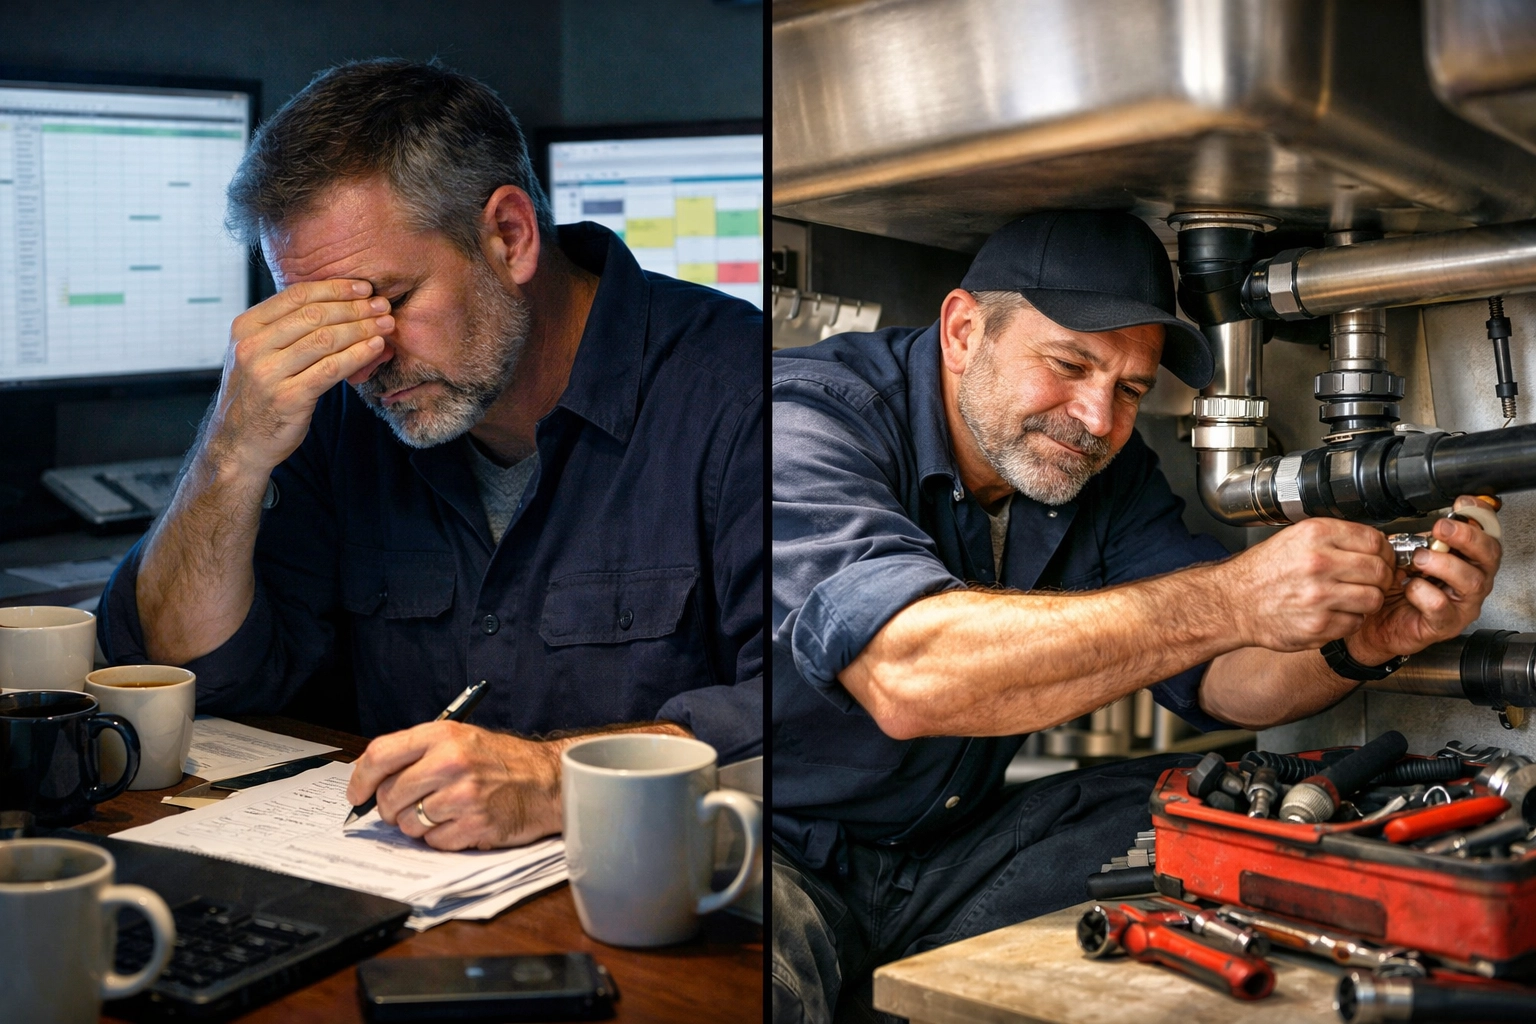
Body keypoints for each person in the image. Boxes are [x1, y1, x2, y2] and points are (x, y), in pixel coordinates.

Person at [770, 210, 1501, 1023]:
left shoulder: (1102, 474)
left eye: (1129, 389)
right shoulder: (806, 422)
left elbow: (1223, 677)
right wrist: (1231, 597)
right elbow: (910, 676)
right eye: (1069, 363)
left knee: (1208, 807)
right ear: (964, 330)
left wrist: (1365, 644)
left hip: (947, 850)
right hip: (777, 852)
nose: (1095, 420)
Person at [99, 59, 762, 852]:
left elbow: (813, 707)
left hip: (669, 888)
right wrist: (228, 452)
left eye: (390, 301)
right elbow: (188, 673)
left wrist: (559, 779)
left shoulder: (743, 394)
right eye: (323, 317)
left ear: (509, 237)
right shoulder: (340, 409)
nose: (364, 358)